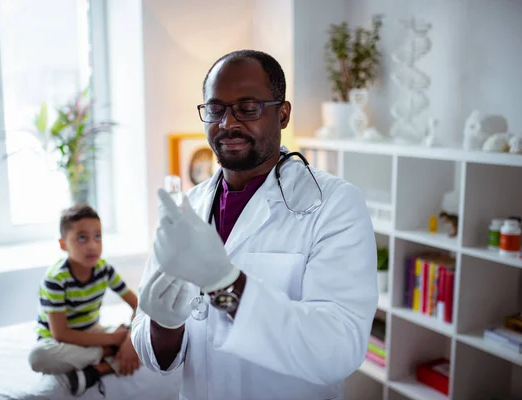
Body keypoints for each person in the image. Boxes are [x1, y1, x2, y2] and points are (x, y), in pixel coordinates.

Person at [131, 49, 378, 400]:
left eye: (248, 108)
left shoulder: (335, 205)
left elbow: (338, 349)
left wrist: (226, 285)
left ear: (283, 114)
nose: (227, 123)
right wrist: (163, 324)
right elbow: (153, 351)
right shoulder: (188, 208)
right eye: (215, 109)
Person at [28, 204, 141, 396]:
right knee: (38, 357)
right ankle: (107, 355)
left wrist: (129, 339)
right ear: (63, 244)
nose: (92, 245)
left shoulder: (104, 269)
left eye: (98, 237)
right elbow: (61, 334)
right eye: (82, 238)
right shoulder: (56, 279)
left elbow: (138, 305)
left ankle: (96, 371)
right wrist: (113, 340)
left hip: (92, 332)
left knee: (151, 342)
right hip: (60, 340)